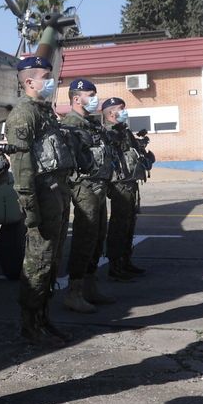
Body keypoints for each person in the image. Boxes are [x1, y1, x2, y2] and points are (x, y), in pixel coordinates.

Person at [5, 55, 75, 346]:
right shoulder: (24, 115)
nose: (51, 82)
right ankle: (29, 324)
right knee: (37, 263)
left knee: (53, 261)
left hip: (57, 193)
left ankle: (44, 319)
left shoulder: (45, 113)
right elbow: (22, 169)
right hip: (42, 196)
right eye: (46, 77)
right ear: (29, 81)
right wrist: (30, 210)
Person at [60, 78, 116, 312]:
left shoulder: (89, 124)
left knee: (97, 235)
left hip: (99, 186)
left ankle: (90, 286)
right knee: (85, 236)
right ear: (76, 98)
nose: (95, 99)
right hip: (84, 187)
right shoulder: (71, 124)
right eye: (90, 95)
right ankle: (74, 291)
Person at [99, 97, 146, 281]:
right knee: (119, 224)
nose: (125, 112)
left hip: (130, 180)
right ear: (111, 113)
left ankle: (126, 260)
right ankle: (115, 264)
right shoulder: (108, 132)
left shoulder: (124, 130)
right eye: (121, 109)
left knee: (129, 222)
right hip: (118, 183)